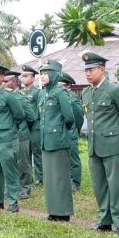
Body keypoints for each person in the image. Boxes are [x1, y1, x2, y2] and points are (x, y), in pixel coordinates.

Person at [81, 52, 119, 235]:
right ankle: (105, 220)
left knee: (116, 185)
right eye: (86, 70)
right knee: (99, 185)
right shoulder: (86, 92)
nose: (87, 73)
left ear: (102, 69)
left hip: (113, 144)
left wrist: (117, 133)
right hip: (94, 144)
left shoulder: (114, 89)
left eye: (91, 69)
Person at [38, 60, 75, 221]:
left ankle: (63, 212)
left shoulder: (60, 92)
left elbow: (69, 117)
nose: (43, 76)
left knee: (60, 178)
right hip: (46, 141)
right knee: (50, 178)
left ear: (54, 74)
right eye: (41, 73)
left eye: (46, 73)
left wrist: (59, 131)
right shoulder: (43, 93)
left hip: (58, 141)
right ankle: (53, 210)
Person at [0, 61, 25, 212]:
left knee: (10, 171)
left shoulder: (9, 95)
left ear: (2, 77)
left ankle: (13, 201)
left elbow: (20, 115)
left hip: (6, 139)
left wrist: (10, 131)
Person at [5, 70, 35, 199]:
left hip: (22, 134)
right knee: (10, 163)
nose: (4, 83)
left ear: (15, 82)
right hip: (8, 135)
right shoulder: (4, 96)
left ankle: (25, 188)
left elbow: (31, 117)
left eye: (7, 81)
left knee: (23, 163)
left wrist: (23, 129)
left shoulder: (21, 97)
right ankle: (13, 188)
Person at [58, 73, 84, 192]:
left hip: (71, 132)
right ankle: (66, 180)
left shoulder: (72, 98)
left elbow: (79, 117)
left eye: (61, 85)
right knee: (63, 159)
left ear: (68, 86)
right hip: (60, 133)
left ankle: (75, 182)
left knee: (73, 159)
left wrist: (75, 130)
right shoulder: (58, 96)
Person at [22, 64, 43, 186]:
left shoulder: (36, 92)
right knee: (26, 154)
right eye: (22, 76)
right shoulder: (21, 92)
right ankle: (28, 178)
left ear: (33, 78)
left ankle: (40, 177)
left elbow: (39, 110)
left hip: (35, 126)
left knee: (37, 152)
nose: (23, 78)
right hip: (25, 127)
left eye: (26, 76)